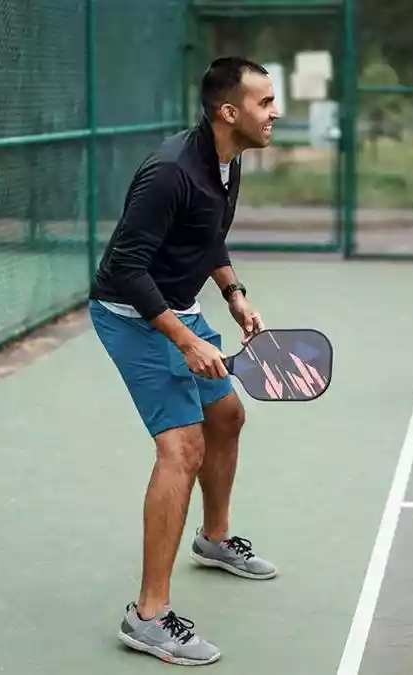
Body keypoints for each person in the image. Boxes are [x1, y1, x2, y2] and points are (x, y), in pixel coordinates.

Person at [87, 56, 281, 666]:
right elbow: (124, 268)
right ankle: (148, 616)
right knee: (182, 448)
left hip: (178, 303)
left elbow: (207, 233)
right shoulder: (170, 172)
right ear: (230, 112)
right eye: (264, 103)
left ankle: (214, 539)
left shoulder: (226, 161)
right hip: (131, 314)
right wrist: (185, 339)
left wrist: (233, 293)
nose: (275, 113)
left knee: (227, 416)